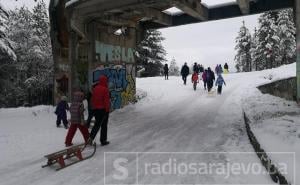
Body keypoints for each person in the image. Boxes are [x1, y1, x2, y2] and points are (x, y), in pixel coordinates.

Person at [89, 75, 110, 146]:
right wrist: (107, 110)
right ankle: (103, 140)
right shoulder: (105, 89)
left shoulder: (95, 88)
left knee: (97, 124)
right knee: (104, 125)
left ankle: (90, 138)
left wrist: (93, 107)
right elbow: (106, 101)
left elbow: (92, 99)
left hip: (96, 110)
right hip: (103, 110)